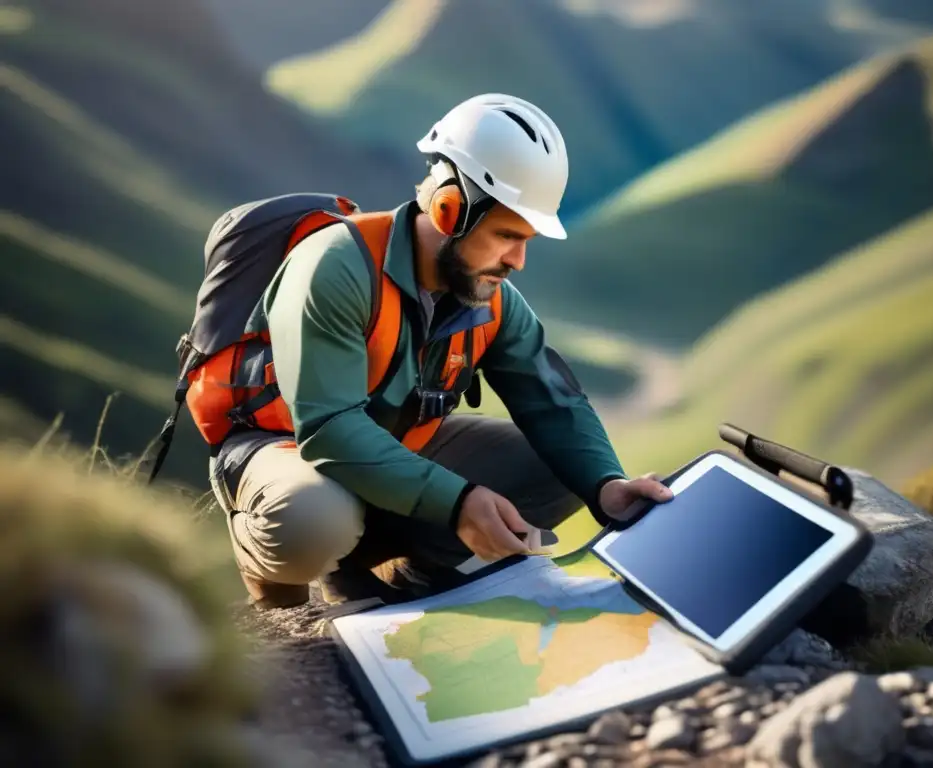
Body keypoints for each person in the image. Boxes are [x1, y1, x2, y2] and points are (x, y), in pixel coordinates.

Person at [206, 93, 673, 609]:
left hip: (394, 448)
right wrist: (458, 503)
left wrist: (605, 485)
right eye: (505, 236)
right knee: (314, 518)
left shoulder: (492, 297)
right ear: (450, 210)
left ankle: (407, 579)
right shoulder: (335, 266)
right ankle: (275, 557)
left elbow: (554, 401)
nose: (517, 260)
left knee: (559, 470)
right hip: (281, 449)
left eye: (527, 240)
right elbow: (329, 428)